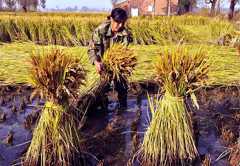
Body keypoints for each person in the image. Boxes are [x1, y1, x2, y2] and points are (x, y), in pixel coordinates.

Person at [88, 8, 133, 110]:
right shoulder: (100, 30)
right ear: (111, 19)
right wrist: (96, 62)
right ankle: (103, 108)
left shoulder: (125, 34)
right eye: (118, 22)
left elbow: (125, 53)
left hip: (118, 66)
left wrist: (123, 66)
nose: (120, 25)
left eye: (123, 23)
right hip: (103, 64)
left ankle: (123, 109)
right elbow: (92, 49)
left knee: (122, 87)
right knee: (102, 89)